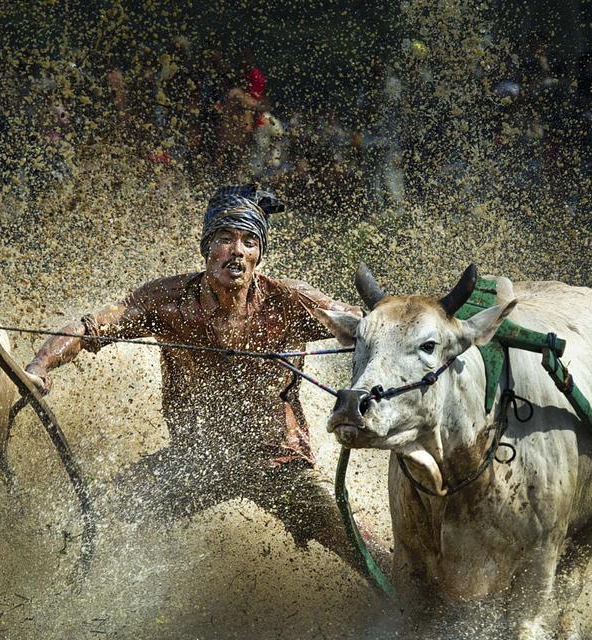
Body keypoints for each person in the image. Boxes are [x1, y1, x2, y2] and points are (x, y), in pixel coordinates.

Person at [24, 185, 391, 581]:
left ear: (258, 257)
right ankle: (79, 590)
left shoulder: (288, 300)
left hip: (276, 459)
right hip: (197, 461)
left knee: (356, 541)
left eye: (249, 242)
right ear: (207, 248)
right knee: (103, 513)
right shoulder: (167, 300)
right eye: (225, 239)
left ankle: (412, 602)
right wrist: (39, 366)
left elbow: (369, 329)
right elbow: (90, 327)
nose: (236, 250)